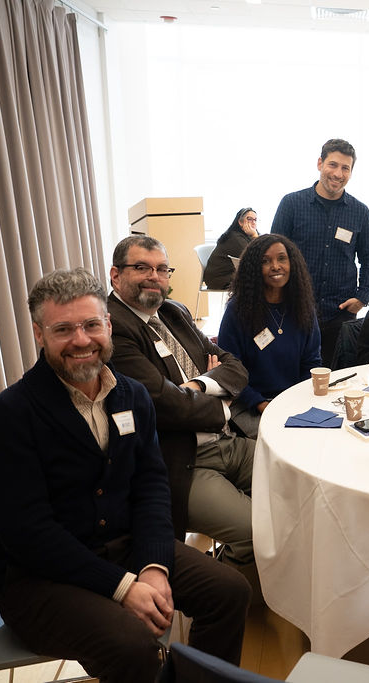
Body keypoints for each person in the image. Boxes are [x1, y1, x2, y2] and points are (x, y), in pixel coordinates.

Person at [0, 268, 250, 683]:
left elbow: (151, 487)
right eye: (63, 329)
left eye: (91, 324)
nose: (82, 340)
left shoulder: (132, 395)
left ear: (108, 324)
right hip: (37, 579)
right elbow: (28, 536)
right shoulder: (11, 415)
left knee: (230, 592)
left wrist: (155, 566)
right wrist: (123, 586)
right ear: (39, 334)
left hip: (121, 546)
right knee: (132, 645)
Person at [107, 235, 256, 574]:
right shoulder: (113, 330)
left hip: (225, 441)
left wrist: (196, 386)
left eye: (162, 269)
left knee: (292, 482)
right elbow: (164, 405)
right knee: (255, 530)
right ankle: (226, 591)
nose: (154, 276)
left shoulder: (174, 312)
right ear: (115, 275)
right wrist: (222, 402)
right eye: (141, 267)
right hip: (180, 461)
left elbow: (235, 366)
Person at [271, 139, 369, 369]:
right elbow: (273, 254)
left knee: (336, 379)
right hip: (294, 308)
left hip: (340, 313)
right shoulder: (291, 204)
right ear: (320, 163)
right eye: (333, 165)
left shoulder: (360, 212)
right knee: (293, 375)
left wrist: (363, 296)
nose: (338, 173)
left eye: (345, 168)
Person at [216, 234, 322, 438]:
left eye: (282, 258)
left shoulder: (302, 307)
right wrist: (260, 403)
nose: (276, 266)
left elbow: (312, 361)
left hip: (294, 401)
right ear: (254, 269)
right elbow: (230, 371)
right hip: (251, 406)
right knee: (284, 440)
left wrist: (298, 400)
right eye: (266, 261)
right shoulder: (237, 310)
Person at [203, 207, 258, 289]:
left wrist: (255, 235)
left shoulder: (246, 235)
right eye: (249, 219)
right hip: (218, 279)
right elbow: (254, 257)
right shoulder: (234, 238)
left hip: (229, 275)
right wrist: (255, 236)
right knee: (257, 279)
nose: (253, 222)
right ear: (240, 222)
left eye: (255, 220)